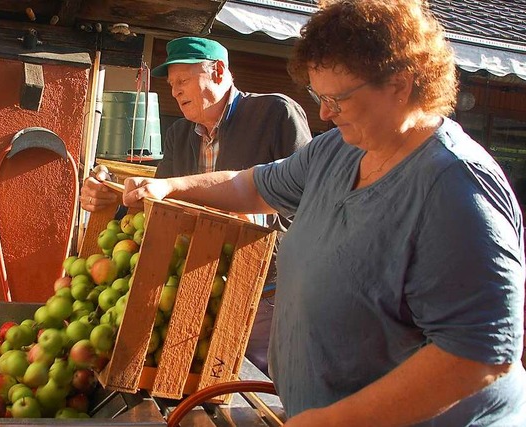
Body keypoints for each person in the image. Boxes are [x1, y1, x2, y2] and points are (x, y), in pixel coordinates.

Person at [118, 0, 526, 425]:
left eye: (337, 98)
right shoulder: (338, 150)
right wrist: (168, 185)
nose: (323, 113)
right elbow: (250, 185)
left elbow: (478, 355)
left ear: (401, 86)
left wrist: (333, 420)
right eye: (319, 95)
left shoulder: (456, 186)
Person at [81, 37, 312, 375]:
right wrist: (115, 202)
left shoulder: (275, 113)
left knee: (267, 383)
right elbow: (159, 209)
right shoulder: (178, 134)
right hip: (197, 288)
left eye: (183, 81)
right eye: (172, 84)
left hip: (268, 290)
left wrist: (255, 216)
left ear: (218, 72)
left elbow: (309, 199)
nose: (174, 92)